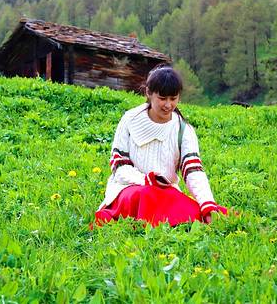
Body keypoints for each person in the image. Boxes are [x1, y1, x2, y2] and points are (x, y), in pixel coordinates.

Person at [94, 65, 226, 227]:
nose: (168, 105)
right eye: (162, 98)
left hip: (165, 193)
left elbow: (193, 171)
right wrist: (146, 180)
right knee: (146, 195)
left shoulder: (184, 130)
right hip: (129, 189)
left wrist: (207, 203)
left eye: (173, 98)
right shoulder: (130, 119)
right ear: (148, 93)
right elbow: (119, 167)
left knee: (200, 211)